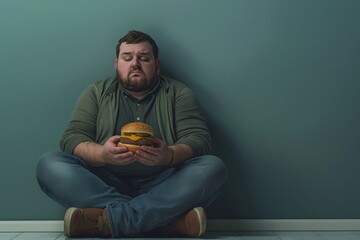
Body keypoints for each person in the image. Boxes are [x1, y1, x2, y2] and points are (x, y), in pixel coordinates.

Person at [36, 30, 227, 238]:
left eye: (143, 58)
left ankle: (102, 221)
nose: (135, 63)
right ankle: (167, 221)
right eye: (127, 58)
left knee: (213, 167)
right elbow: (72, 138)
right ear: (116, 64)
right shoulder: (96, 93)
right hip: (104, 183)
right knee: (49, 164)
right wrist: (102, 154)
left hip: (166, 184)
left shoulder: (179, 93)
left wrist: (169, 155)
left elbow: (199, 139)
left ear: (157, 64)